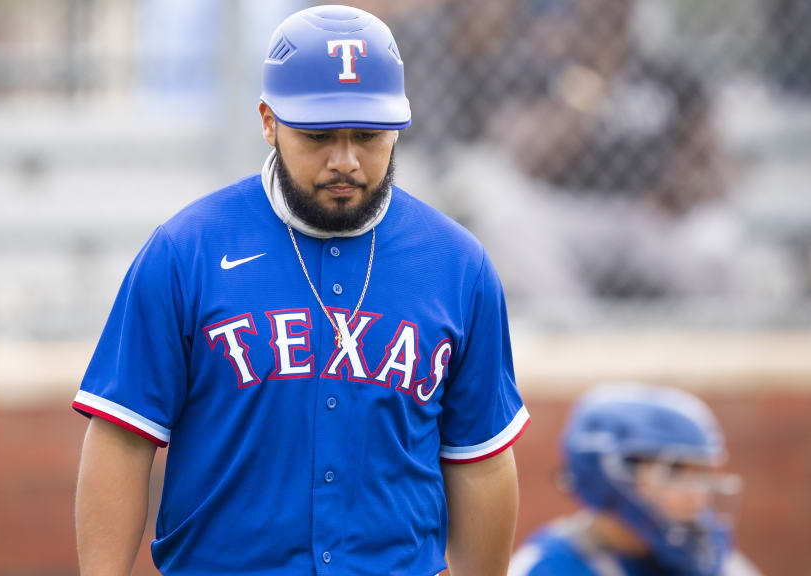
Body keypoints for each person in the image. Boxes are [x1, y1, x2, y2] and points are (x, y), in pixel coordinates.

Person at [72, 5, 528, 576]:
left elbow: (480, 459)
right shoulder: (186, 251)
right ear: (268, 121)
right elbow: (122, 437)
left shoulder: (458, 264)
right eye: (317, 136)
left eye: (367, 135)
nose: (346, 161)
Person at [508, 383, 761, 576]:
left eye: (702, 475)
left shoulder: (714, 560)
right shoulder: (550, 566)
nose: (698, 495)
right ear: (608, 475)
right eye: (676, 472)